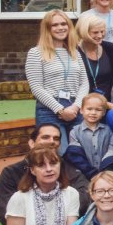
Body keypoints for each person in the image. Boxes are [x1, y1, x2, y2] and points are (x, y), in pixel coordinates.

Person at [27, 10, 89, 143]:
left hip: (74, 108)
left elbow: (84, 83)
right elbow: (36, 88)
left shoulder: (75, 52)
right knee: (56, 151)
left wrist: (76, 106)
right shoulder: (36, 53)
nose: (60, 28)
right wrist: (60, 110)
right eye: (54, 25)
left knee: (79, 150)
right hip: (49, 109)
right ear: (47, 29)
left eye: (63, 24)